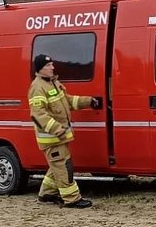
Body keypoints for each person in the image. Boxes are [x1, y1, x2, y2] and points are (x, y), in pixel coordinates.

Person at [28, 54, 103, 208]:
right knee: (63, 167)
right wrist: (57, 129)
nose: (52, 68)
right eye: (48, 66)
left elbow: (68, 101)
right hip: (52, 138)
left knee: (56, 165)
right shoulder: (37, 88)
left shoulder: (53, 83)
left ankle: (47, 193)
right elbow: (38, 115)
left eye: (52, 65)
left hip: (59, 137)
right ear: (40, 69)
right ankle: (72, 198)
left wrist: (88, 101)